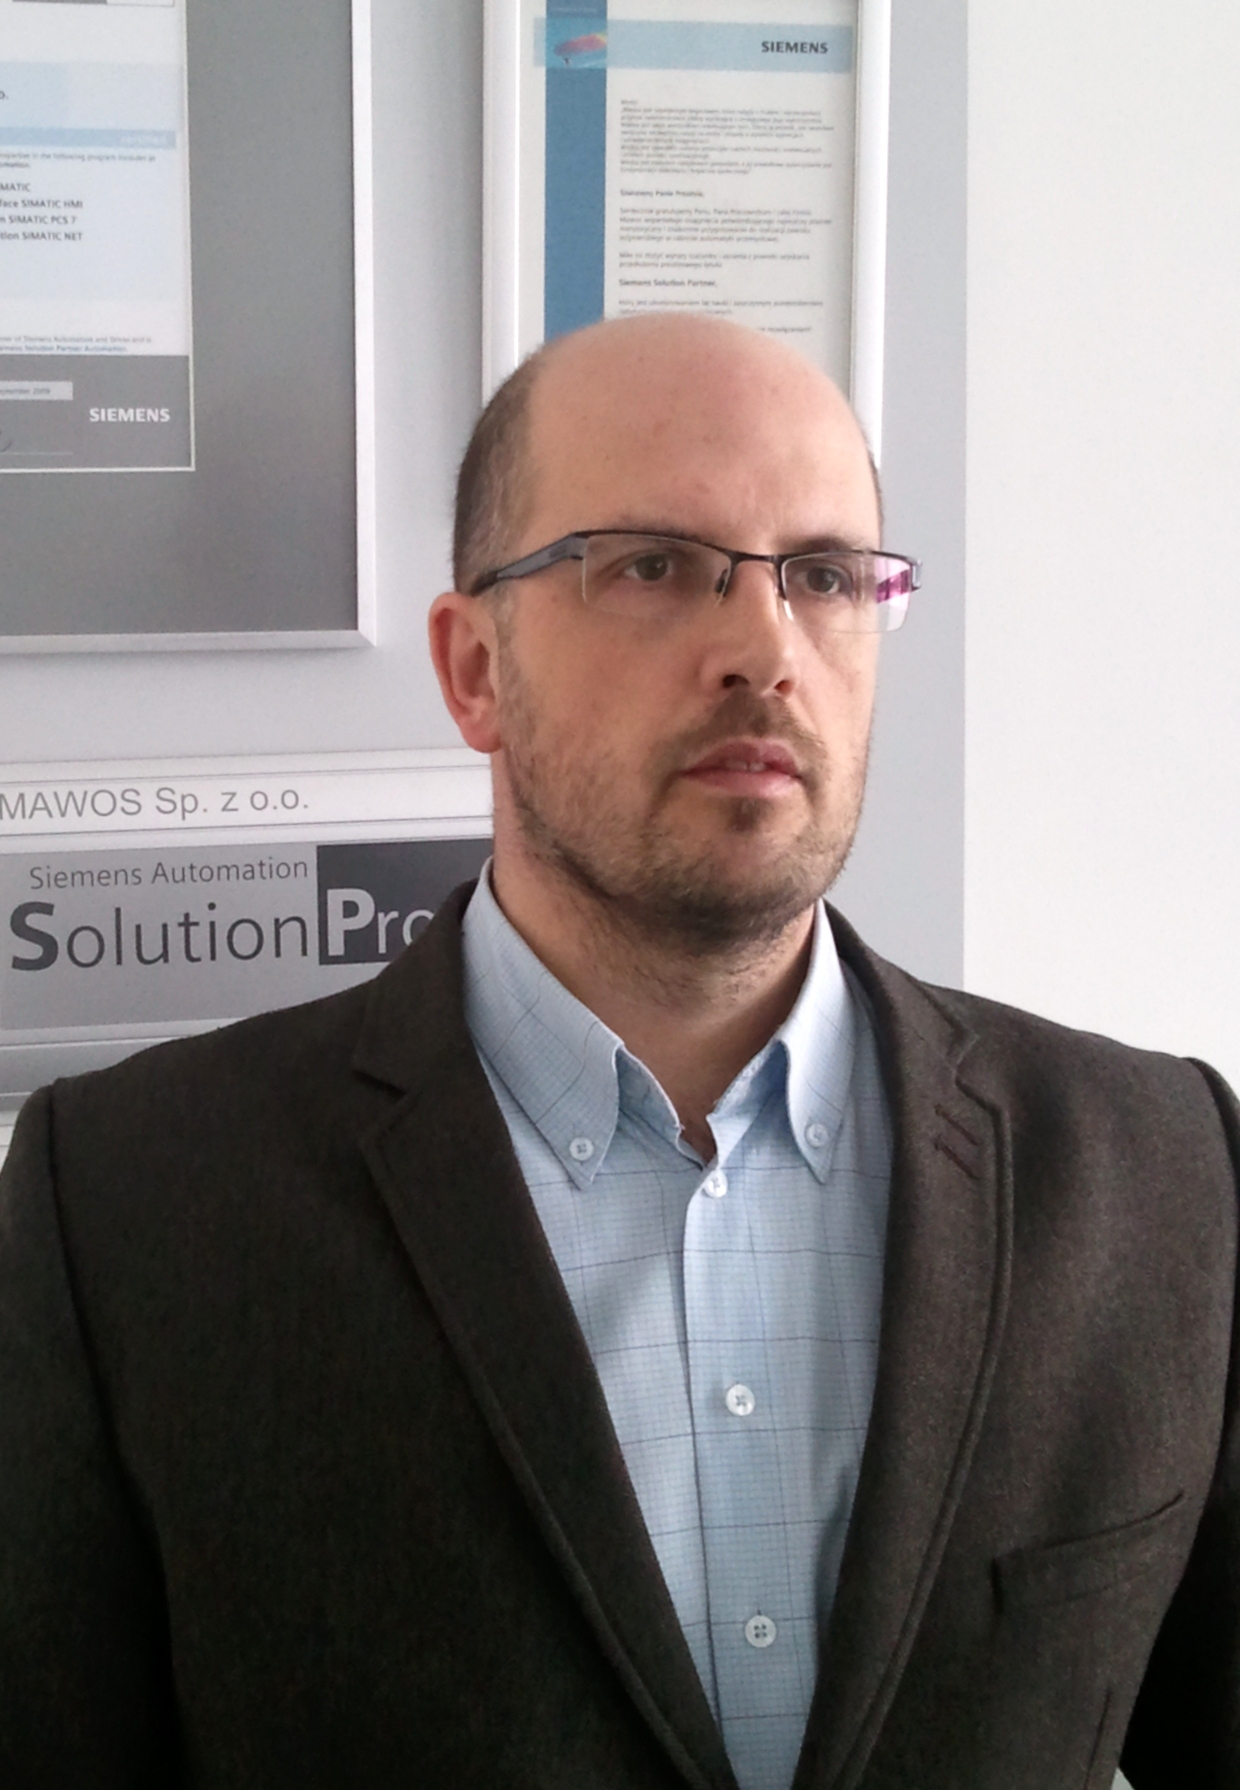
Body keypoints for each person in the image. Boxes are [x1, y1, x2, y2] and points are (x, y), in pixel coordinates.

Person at [0, 314, 1237, 1790]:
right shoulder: (126, 1204)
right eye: (652, 565)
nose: (766, 650)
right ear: (474, 668)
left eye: (827, 576)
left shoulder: (1164, 1171)